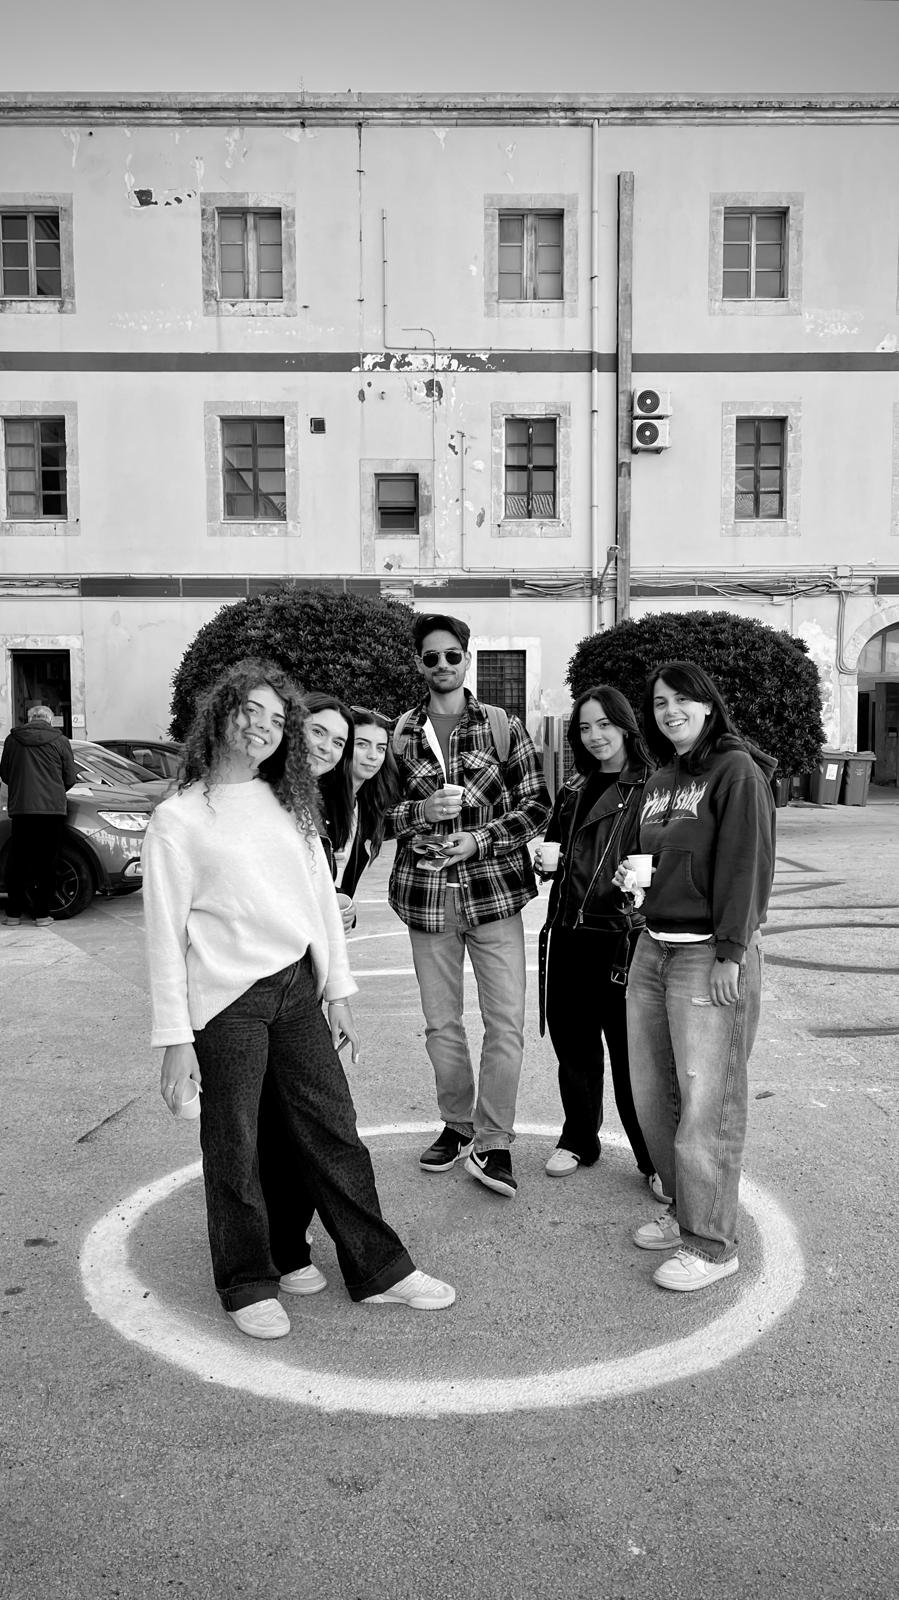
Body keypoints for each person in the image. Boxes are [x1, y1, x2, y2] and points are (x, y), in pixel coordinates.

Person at [142, 658, 455, 1341]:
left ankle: (379, 1269)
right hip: (225, 1003)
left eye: (276, 718)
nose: (261, 727)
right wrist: (174, 1040)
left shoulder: (290, 802)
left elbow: (318, 902)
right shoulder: (177, 818)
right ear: (219, 714)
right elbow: (164, 935)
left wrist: (338, 991)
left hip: (296, 990)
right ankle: (246, 1280)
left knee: (332, 1128)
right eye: (249, 711)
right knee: (235, 1145)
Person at [619, 660, 776, 1294]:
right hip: (653, 947)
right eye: (660, 703)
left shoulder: (736, 770)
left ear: (708, 705)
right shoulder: (660, 780)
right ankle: (684, 1208)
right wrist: (637, 882)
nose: (670, 711)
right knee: (653, 1094)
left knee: (708, 1102)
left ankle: (711, 1244)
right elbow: (661, 860)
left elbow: (746, 864)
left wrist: (731, 953)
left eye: (682, 699)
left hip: (708, 953)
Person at [389, 613, 551, 1199]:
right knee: (442, 1025)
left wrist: (480, 839)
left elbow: (538, 806)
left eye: (451, 655)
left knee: (505, 1024)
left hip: (494, 897)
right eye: (431, 657)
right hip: (427, 899)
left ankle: (494, 1140)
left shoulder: (503, 726)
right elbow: (381, 813)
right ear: (419, 663)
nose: (442, 665)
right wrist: (421, 812)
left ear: (467, 658)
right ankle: (457, 1126)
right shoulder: (400, 734)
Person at [536, 685, 666, 1199]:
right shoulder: (573, 787)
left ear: (626, 726)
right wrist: (546, 861)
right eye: (585, 728)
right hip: (569, 932)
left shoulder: (653, 786)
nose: (595, 736)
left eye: (605, 724)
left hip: (623, 938)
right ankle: (578, 1138)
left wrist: (643, 881)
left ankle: (652, 1156)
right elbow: (560, 849)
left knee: (633, 1057)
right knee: (574, 1048)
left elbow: (665, 860)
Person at [1, 705, 76, 928]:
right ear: (50, 720)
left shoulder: (13, 740)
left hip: (22, 809)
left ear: (29, 719)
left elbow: (5, 774)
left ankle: (13, 914)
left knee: (17, 861)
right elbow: (70, 777)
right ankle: (42, 914)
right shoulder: (60, 741)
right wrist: (55, 790)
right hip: (51, 811)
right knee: (47, 862)